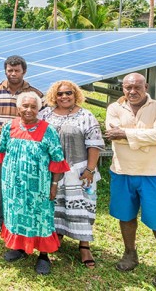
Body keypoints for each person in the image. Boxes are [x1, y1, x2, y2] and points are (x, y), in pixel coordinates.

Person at [104, 73, 156, 288]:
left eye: (137, 87)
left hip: (151, 173)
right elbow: (112, 134)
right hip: (121, 170)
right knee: (125, 216)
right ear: (123, 88)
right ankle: (130, 253)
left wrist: (126, 135)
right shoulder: (114, 108)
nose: (132, 92)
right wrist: (145, 137)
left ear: (146, 86)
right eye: (128, 88)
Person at [0, 92, 69, 275]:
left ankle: (43, 256)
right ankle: (19, 248)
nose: (28, 110)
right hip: (13, 186)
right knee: (15, 215)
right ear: (18, 108)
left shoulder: (47, 130)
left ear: (39, 109)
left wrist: (54, 185)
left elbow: (57, 160)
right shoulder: (9, 127)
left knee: (41, 219)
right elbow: (0, 152)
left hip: (39, 188)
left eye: (33, 107)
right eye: (25, 106)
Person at [39, 80, 103, 268]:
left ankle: (84, 246)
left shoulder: (86, 116)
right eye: (60, 94)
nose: (64, 97)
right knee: (54, 206)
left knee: (82, 207)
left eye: (68, 93)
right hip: (52, 172)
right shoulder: (45, 115)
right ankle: (55, 236)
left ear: (75, 94)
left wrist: (90, 169)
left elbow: (94, 144)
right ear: (54, 96)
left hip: (79, 171)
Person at [0, 55, 43, 232]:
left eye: (16, 70)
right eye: (9, 70)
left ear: (23, 71)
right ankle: (1, 218)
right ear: (5, 71)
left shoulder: (34, 94)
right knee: (1, 183)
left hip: (26, 147)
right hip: (3, 147)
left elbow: (40, 118)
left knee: (23, 182)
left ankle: (20, 216)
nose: (13, 73)